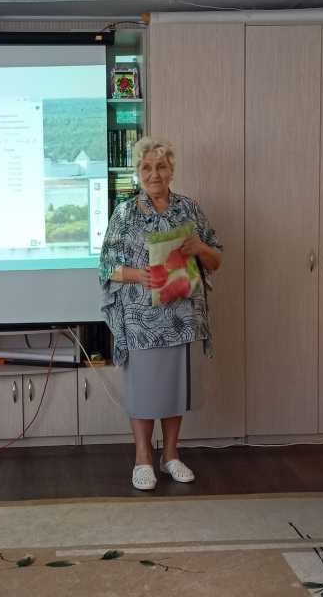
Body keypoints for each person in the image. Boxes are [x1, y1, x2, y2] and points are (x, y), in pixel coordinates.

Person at [98, 136, 223, 490]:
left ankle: (170, 456)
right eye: (146, 167)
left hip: (183, 316)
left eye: (161, 167)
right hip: (141, 319)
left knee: (173, 388)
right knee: (143, 391)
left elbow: (216, 259)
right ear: (138, 172)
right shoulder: (125, 214)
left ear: (171, 171)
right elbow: (106, 266)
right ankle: (142, 459)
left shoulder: (189, 209)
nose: (154, 174)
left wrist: (199, 247)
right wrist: (138, 275)